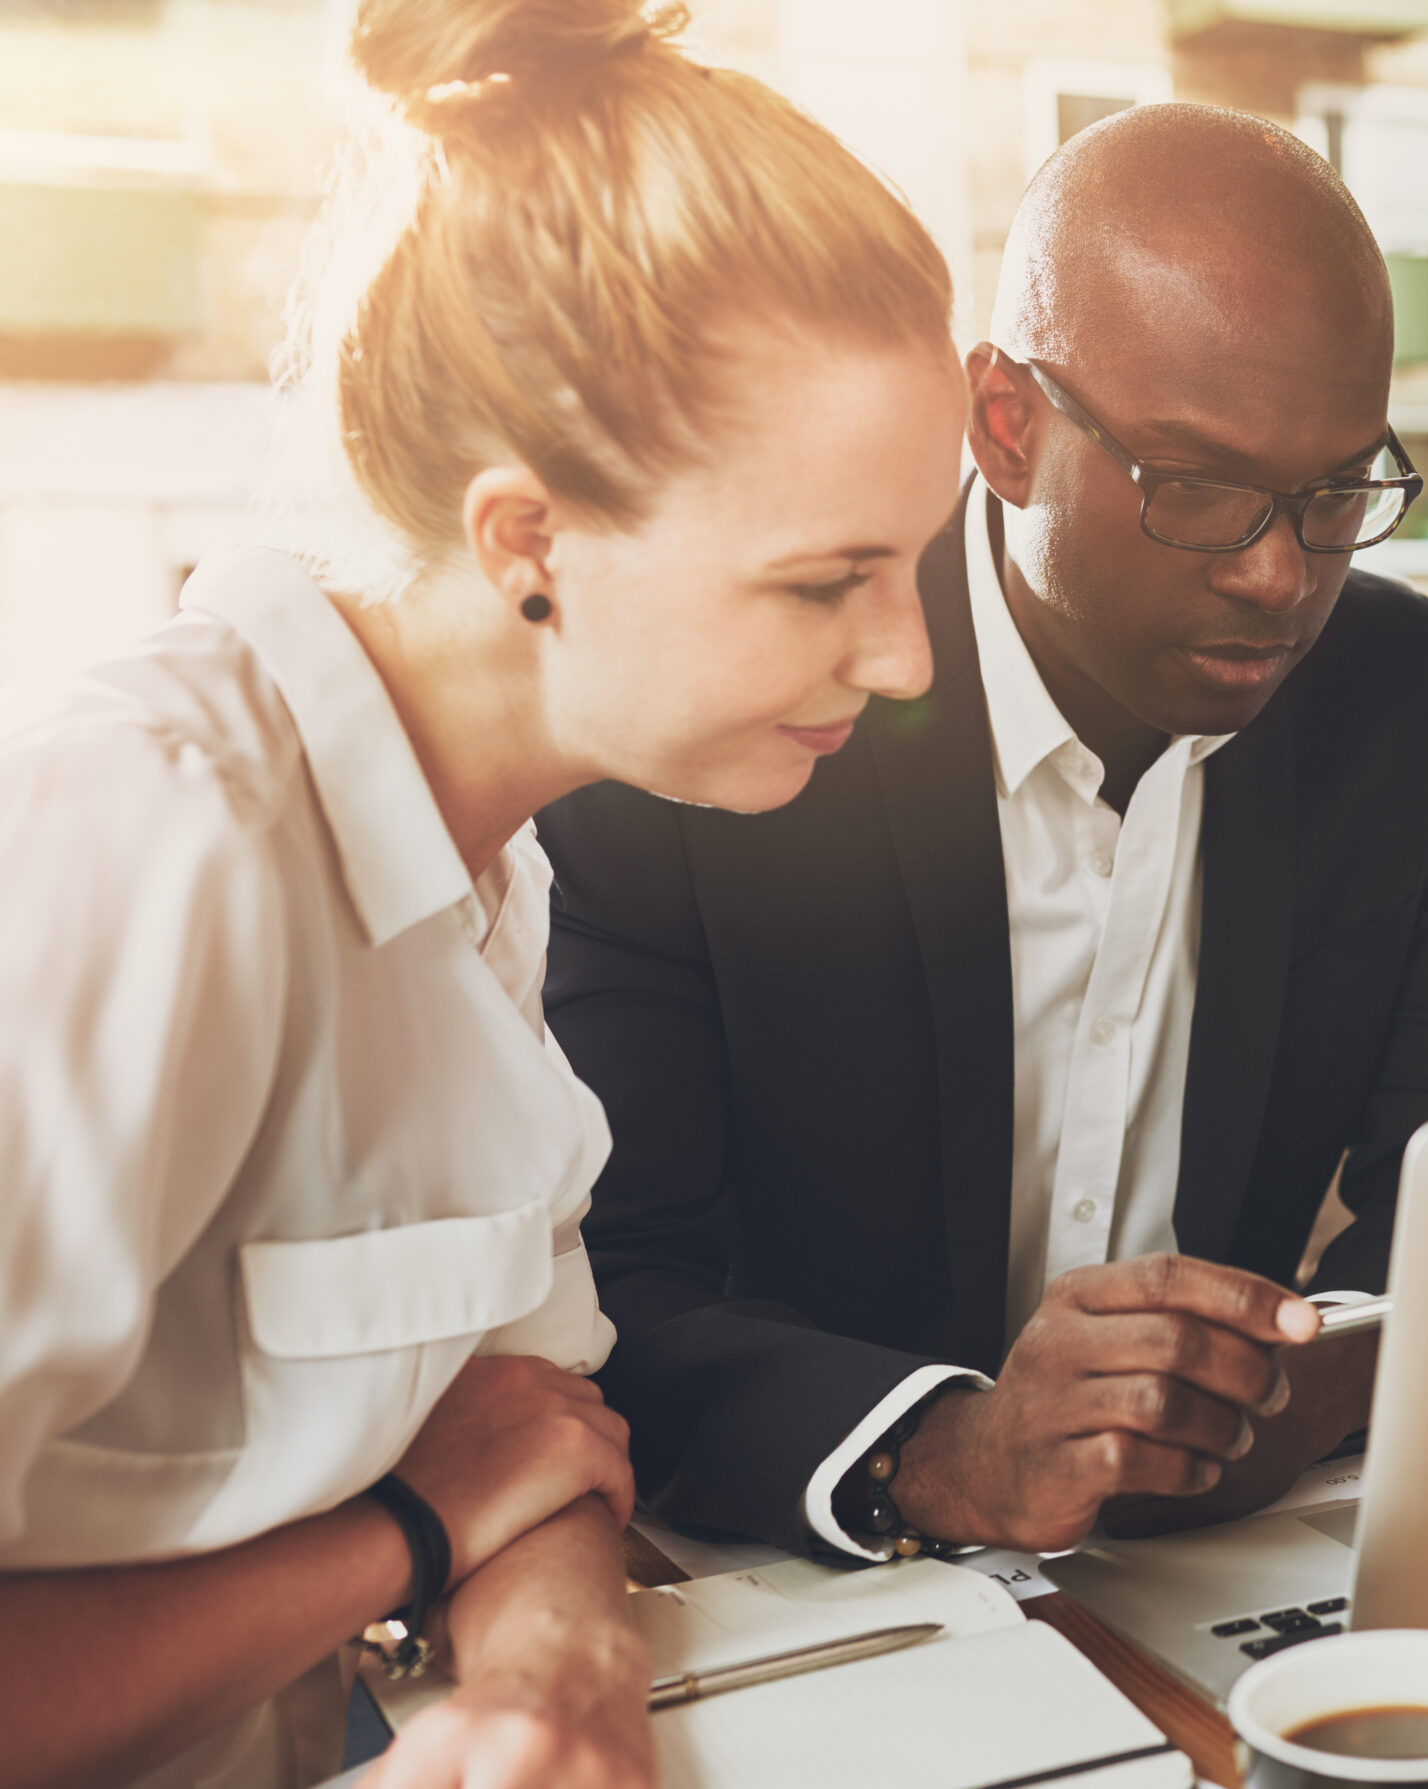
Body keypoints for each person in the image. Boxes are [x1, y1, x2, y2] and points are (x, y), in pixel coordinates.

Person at [0, 1, 965, 1783]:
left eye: (913, 561)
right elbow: (464, 1485)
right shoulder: (153, 833)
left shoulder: (487, 863)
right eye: (829, 580)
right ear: (528, 541)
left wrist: (553, 1694)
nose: (906, 658)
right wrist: (399, 1539)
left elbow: (536, 1433)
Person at [538, 102, 1428, 1561]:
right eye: (1199, 487)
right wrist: (944, 1447)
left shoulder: (1382, 690)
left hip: (1209, 1568)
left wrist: (1323, 1358)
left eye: (1336, 491)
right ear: (1008, 429)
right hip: (802, 1575)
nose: (1281, 576)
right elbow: (604, 1281)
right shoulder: (744, 710)